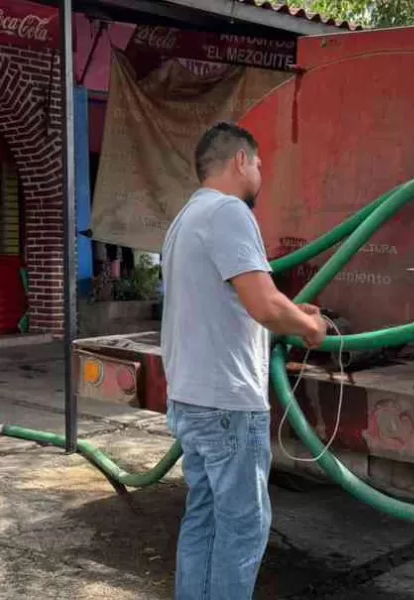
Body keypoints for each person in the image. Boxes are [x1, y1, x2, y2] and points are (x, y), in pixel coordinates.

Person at [160, 121, 328, 600]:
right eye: (258, 164)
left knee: (205, 519)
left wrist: (295, 312)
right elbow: (264, 305)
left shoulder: (186, 218)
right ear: (239, 160)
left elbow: (246, 300)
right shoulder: (229, 212)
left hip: (191, 397)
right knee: (243, 527)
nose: (260, 173)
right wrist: (310, 327)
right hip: (228, 404)